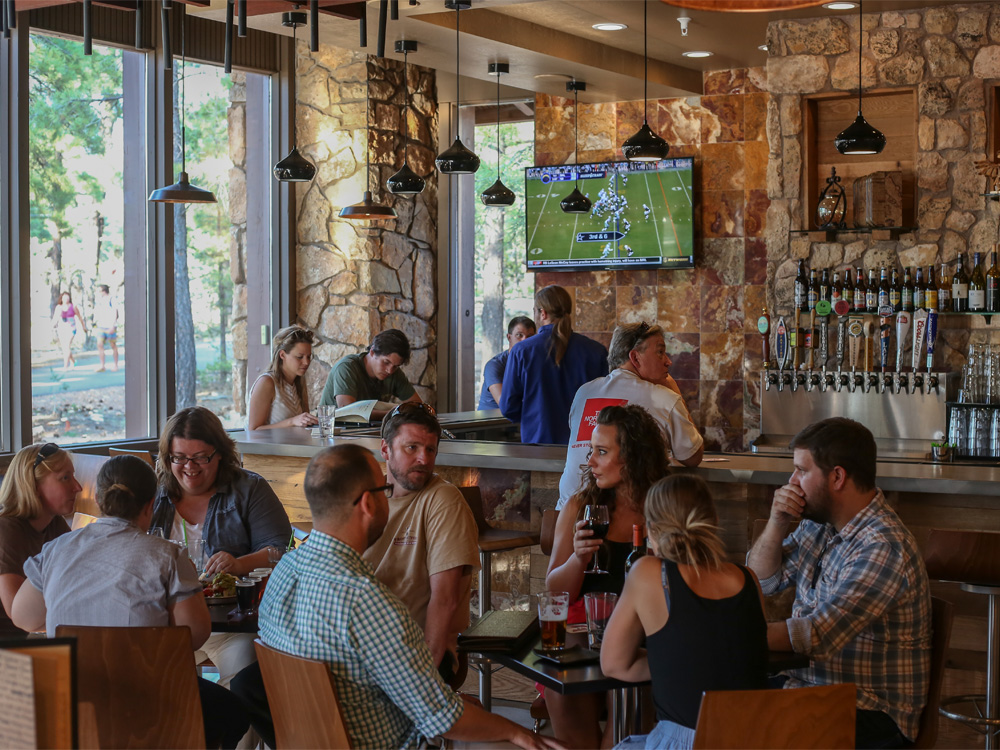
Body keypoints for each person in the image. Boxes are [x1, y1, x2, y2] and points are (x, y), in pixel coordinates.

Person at [253, 443, 560, 750]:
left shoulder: (283, 572)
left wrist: (446, 701)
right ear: (367, 504)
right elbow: (443, 718)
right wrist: (519, 733)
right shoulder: (365, 600)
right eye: (384, 489)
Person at [11, 455, 250, 749]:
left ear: (97, 499)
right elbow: (193, 635)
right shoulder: (167, 556)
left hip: (73, 701)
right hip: (150, 701)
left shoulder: (55, 550)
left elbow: (23, 616)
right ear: (150, 506)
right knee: (234, 713)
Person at [746, 417, 932, 748]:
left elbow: (816, 635)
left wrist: (728, 631)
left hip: (870, 713)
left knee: (729, 717)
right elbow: (761, 580)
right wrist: (776, 523)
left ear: (837, 477)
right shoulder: (820, 527)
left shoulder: (882, 546)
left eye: (801, 470)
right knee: (712, 697)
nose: (791, 481)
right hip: (811, 689)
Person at [602, 474, 768, 749]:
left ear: (651, 529)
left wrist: (678, 663)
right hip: (753, 737)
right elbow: (738, 655)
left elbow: (614, 664)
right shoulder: (749, 578)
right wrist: (689, 661)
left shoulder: (647, 572)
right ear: (714, 521)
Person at [545, 404, 669, 748]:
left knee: (627, 719)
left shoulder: (663, 507)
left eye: (602, 451)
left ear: (631, 457)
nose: (590, 461)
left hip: (644, 637)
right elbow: (554, 593)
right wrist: (579, 559)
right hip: (581, 638)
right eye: (591, 451)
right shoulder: (579, 505)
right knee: (567, 702)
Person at [151, 406, 292, 689]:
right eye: (179, 458)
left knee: (244, 678)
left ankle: (228, 734)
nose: (189, 467)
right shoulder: (155, 493)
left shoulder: (249, 488)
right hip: (167, 623)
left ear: (220, 454)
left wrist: (240, 564)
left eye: (201, 458)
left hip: (231, 626)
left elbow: (280, 549)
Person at [363, 403, 479, 684]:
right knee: (259, 682)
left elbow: (446, 600)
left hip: (414, 655)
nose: (424, 459)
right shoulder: (364, 497)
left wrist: (422, 680)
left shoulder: (443, 500)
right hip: (362, 647)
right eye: (411, 448)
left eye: (430, 450)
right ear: (385, 449)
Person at [557, 322, 703, 510]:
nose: (668, 361)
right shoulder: (664, 397)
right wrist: (675, 392)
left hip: (566, 517)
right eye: (660, 352)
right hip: (626, 523)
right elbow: (692, 457)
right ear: (635, 357)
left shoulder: (584, 392)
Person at [500, 285, 608, 444]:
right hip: (584, 447)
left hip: (538, 445)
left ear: (542, 313)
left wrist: (532, 415)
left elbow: (508, 407)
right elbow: (605, 403)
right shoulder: (596, 351)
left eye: (535, 311)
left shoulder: (521, 351)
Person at [0, 443, 76, 639]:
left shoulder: (54, 523)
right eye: (65, 478)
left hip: (35, 635)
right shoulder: (6, 530)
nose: (78, 487)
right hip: (12, 647)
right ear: (33, 485)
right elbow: (17, 614)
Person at [319, 328, 422, 420]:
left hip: (367, 432)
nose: (390, 370)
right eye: (386, 362)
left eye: (396, 366)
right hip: (333, 433)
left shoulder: (394, 373)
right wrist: (394, 412)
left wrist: (399, 411)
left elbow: (417, 406)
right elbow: (347, 412)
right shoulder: (346, 368)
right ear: (372, 352)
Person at [247, 325, 319, 430]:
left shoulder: (298, 383)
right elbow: (253, 430)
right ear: (282, 355)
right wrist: (292, 421)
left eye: (308, 357)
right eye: (299, 357)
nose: (306, 362)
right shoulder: (267, 382)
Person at [477, 316, 537, 410]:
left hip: (519, 419)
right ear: (509, 337)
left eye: (529, 336)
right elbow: (505, 404)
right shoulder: (494, 365)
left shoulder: (535, 363)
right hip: (492, 422)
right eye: (519, 335)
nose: (525, 340)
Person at [51, 290, 87, 371]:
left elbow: (79, 317)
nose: (66, 299)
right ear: (62, 298)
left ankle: (65, 366)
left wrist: (83, 327)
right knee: (65, 348)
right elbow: (55, 318)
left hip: (71, 328)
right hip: (61, 328)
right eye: (64, 297)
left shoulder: (73, 307)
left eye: (67, 297)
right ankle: (73, 362)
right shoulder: (59, 307)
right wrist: (52, 326)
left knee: (67, 346)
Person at [93, 284, 120, 372]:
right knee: (99, 344)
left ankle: (116, 365)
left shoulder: (112, 299)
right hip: (101, 325)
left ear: (104, 291)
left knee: (113, 345)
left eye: (99, 291)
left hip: (110, 325)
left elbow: (115, 312)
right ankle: (102, 365)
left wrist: (113, 325)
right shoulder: (99, 301)